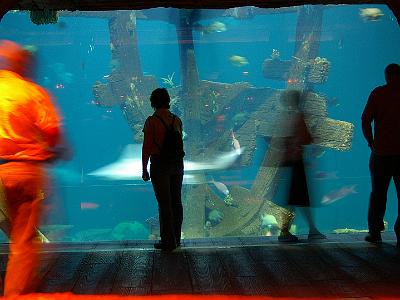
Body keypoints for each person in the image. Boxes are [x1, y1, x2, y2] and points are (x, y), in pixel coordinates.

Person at [0, 40, 70, 295]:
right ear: (25, 63)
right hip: (28, 170)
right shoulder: (31, 92)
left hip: (3, 170)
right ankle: (16, 293)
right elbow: (51, 131)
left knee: (18, 235)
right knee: (25, 238)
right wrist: (57, 149)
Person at [270, 89, 326, 242]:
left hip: (286, 162)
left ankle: (309, 230)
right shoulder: (298, 116)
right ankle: (286, 231)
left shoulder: (282, 116)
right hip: (296, 162)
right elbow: (307, 138)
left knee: (298, 198)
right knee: (298, 198)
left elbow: (277, 140)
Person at [362, 63, 400, 247]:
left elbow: (365, 120)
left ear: (386, 76)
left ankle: (375, 231)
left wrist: (371, 142)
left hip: (381, 154)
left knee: (378, 194)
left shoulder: (378, 93)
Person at [142, 88, 184, 252]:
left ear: (153, 102)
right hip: (177, 164)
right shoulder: (177, 120)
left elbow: (147, 147)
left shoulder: (151, 122)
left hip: (160, 165)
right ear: (168, 101)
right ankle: (177, 238)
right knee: (176, 201)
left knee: (164, 203)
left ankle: (168, 241)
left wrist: (144, 168)